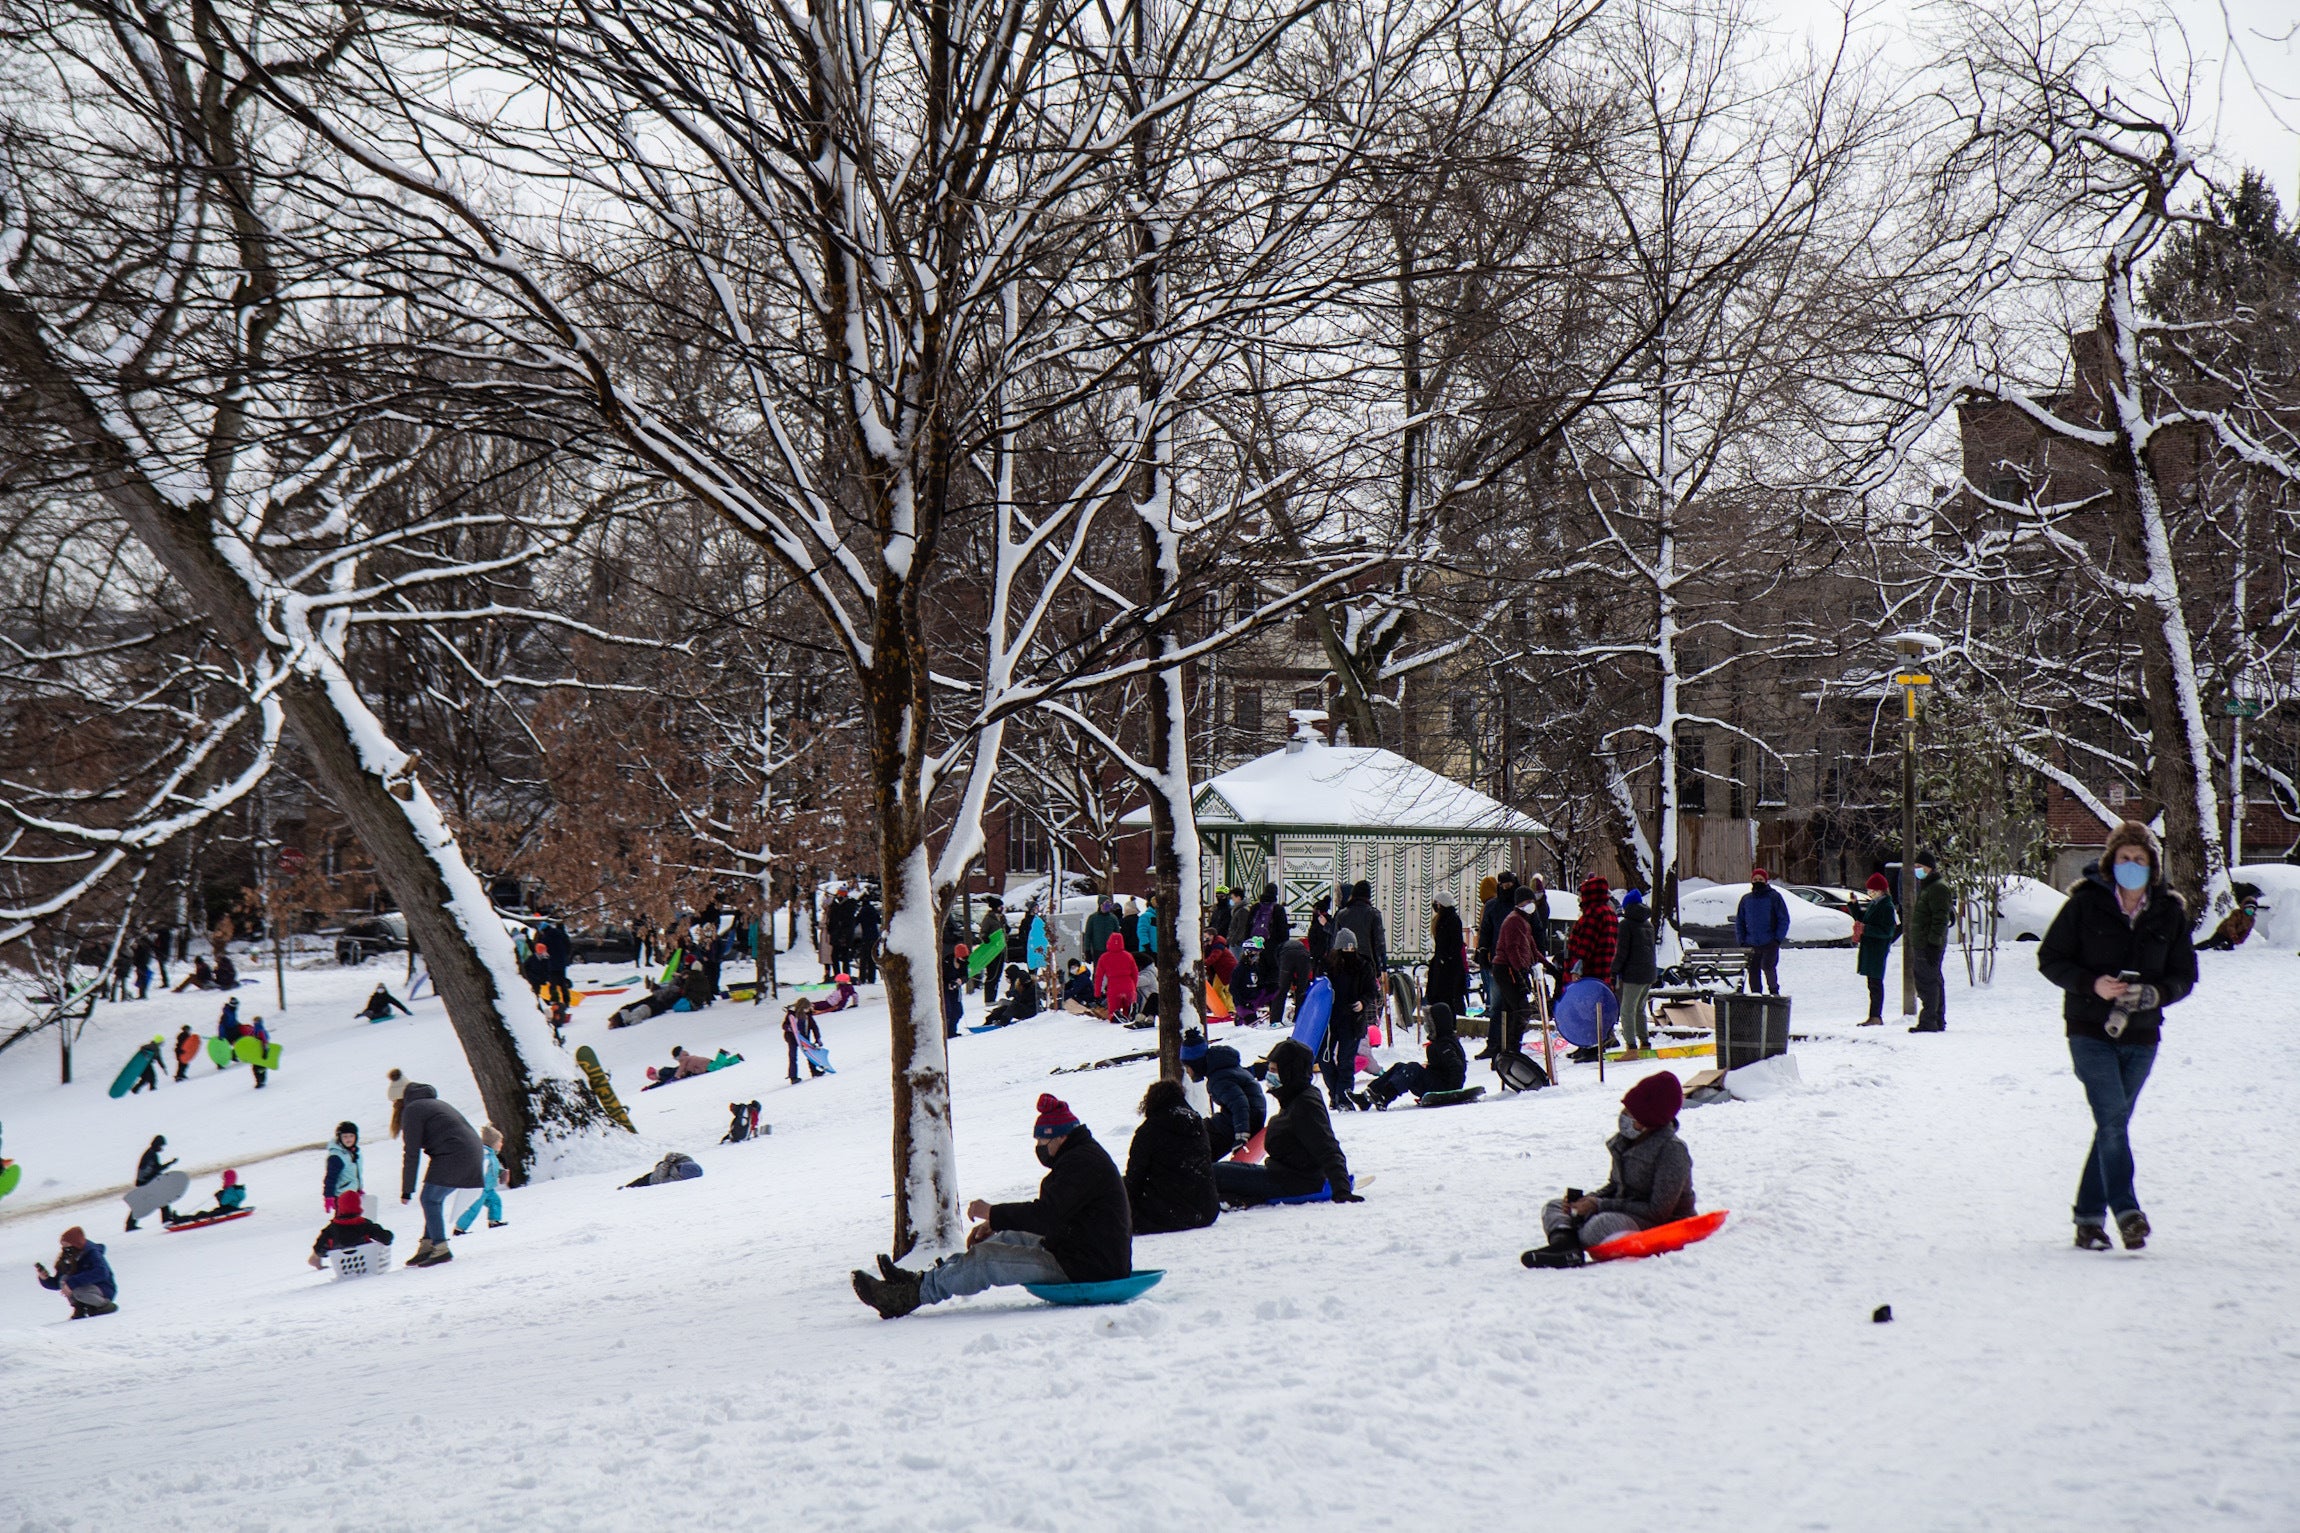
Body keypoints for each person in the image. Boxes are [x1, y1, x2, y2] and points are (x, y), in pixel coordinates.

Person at [2038, 821, 2197, 1252]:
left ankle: (2088, 1221)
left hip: (2142, 1035)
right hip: (2090, 1030)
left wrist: (2156, 993)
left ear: (2153, 866)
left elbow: (2185, 974)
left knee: (2113, 1125)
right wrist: (2092, 983)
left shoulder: (2169, 911)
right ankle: (2127, 1212)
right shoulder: (2084, 904)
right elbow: (2049, 959)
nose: (2131, 865)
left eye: (2140, 860)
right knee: (2111, 1119)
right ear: (2111, 862)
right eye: (2124, 858)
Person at [852, 1093, 1131, 1318]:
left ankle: (907, 1297)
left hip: (1087, 1265)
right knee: (1003, 1239)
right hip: (1079, 1250)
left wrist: (992, 1212)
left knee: (986, 1261)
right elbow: (1054, 1216)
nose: (1039, 1147)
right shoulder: (1080, 1157)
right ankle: (919, 1280)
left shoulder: (1082, 1163)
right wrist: (995, 1225)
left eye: (1042, 1140)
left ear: (1060, 1137)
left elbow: (1046, 1216)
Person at [1524, 1071, 1695, 1268]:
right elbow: (1615, 1185)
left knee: (1598, 1227)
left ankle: (1569, 1242)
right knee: (1553, 1207)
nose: (1624, 1117)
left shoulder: (1672, 1150)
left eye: (1631, 1114)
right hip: (1624, 1210)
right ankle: (1565, 1247)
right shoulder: (1626, 1142)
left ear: (1649, 1120)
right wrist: (1584, 1201)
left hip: (1659, 1222)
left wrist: (1598, 1205)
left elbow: (1658, 1211)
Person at [1212, 1040, 1359, 1207]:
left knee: (1216, 1173)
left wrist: (1342, 1190)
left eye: (1274, 1070)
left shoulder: (1305, 1104)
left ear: (1290, 1072)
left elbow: (1327, 1147)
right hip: (1282, 1175)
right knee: (1219, 1171)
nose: (1269, 1075)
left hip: (1295, 1182)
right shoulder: (1293, 1096)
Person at [396, 1078, 484, 1268]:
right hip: (472, 1151)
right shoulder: (436, 1104)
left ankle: (441, 1248)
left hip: (454, 1154)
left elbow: (411, 1152)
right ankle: (428, 1245)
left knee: (430, 1199)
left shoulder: (412, 1110)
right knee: (433, 1199)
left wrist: (406, 1190)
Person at [1123, 1079, 1219, 1234]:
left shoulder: (1148, 1131)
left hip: (1168, 1214)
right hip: (1207, 1211)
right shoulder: (1197, 1124)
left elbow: (1135, 1177)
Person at [1363, 1001, 1469, 1108]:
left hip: (1443, 1087)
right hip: (1436, 1081)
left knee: (1412, 1069)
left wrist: (1453, 1092)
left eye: (1430, 1023)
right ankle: (1366, 1097)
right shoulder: (1440, 1041)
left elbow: (1457, 1067)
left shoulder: (1446, 1044)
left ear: (1438, 1023)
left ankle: (1386, 1096)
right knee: (1399, 1066)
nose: (1427, 1026)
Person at [1320, 928, 1381, 1107]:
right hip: (1329, 1021)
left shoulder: (1363, 965)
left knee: (1346, 1061)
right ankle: (1335, 1095)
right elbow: (1319, 988)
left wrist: (1363, 1002)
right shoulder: (1327, 965)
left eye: (1351, 949)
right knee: (1324, 1059)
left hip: (1353, 1020)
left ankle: (1344, 1098)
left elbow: (1371, 990)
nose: (1349, 953)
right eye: (1345, 949)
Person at [1182, 1033, 1266, 1159]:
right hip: (1248, 1118)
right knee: (1202, 1128)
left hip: (1243, 1123)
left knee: (1196, 1139)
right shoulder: (1224, 1068)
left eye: (1187, 1067)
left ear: (1196, 1064)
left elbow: (1239, 1104)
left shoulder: (1218, 1079)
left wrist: (1242, 1136)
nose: (1187, 1072)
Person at [1487, 894, 1540, 1062]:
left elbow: (1531, 949)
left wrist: (1550, 967)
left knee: (1511, 1011)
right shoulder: (1514, 921)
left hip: (1513, 969)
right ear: (1519, 903)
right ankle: (1511, 1049)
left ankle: (1505, 1050)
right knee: (1521, 1009)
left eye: (1532, 901)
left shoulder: (1524, 921)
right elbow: (1512, 949)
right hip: (1507, 969)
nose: (1531, 905)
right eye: (1527, 901)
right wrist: (1520, 972)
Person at [1907, 850, 1952, 1031]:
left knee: (1927, 982)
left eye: (1920, 867)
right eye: (1915, 867)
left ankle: (1929, 1020)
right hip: (1925, 942)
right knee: (1933, 980)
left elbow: (1939, 919)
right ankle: (1937, 1019)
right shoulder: (1929, 887)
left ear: (1930, 868)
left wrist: (1933, 943)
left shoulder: (1937, 888)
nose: (1917, 870)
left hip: (1927, 944)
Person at [1732, 869, 1792, 996]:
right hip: (1751, 942)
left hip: (1769, 941)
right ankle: (1756, 996)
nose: (1757, 882)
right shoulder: (1746, 899)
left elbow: (1783, 919)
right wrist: (1742, 940)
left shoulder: (1774, 897)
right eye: (1755, 880)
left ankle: (1774, 993)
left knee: (1768, 967)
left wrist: (1777, 939)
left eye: (1760, 880)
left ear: (1766, 881)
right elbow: (1740, 921)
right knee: (1753, 971)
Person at [35, 1227, 117, 1317]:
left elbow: (101, 1272)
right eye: (63, 1246)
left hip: (103, 1288)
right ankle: (80, 1308)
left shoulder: (92, 1253)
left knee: (77, 1291)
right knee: (64, 1280)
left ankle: (104, 1306)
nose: (65, 1249)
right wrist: (45, 1279)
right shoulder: (68, 1257)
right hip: (83, 1288)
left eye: (67, 1246)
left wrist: (72, 1283)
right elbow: (59, 1282)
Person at [1853, 872, 1899, 1026]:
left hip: (1877, 949)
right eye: (1869, 890)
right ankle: (1874, 1015)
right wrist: (1853, 905)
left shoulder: (1886, 906)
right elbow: (1862, 918)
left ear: (1881, 891)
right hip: (1871, 948)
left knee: (1875, 983)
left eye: (1873, 890)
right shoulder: (1875, 904)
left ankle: (1876, 1016)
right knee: (1872, 982)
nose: (1870, 893)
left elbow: (1887, 931)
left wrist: (1866, 929)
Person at [308, 1190, 396, 1269]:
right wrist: (388, 1237)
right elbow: (385, 1238)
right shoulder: (364, 1224)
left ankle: (315, 1259)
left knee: (326, 1241)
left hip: (342, 1267)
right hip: (367, 1263)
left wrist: (318, 1255)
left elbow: (319, 1247)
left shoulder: (331, 1228)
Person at [1615, 891, 1657, 1052]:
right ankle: (1644, 1042)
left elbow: (1622, 951)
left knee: (1627, 1010)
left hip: (1633, 973)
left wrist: (1614, 970)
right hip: (1649, 972)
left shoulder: (1625, 925)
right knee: (1640, 1009)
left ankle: (1631, 1045)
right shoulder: (1648, 924)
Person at [453, 1126, 508, 1234]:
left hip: (489, 1189)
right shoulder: (485, 1155)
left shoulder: (492, 1155)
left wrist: (501, 1172)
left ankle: (494, 1221)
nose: (501, 1145)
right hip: (480, 1189)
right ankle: (459, 1228)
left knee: (495, 1202)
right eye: (499, 1142)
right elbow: (481, 1168)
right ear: (493, 1143)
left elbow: (492, 1169)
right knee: (474, 1209)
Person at [1425, 892, 1468, 1023]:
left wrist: (1445, 958)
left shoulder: (1452, 920)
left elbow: (1455, 944)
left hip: (1449, 967)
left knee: (1448, 996)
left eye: (1437, 903)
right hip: (1442, 964)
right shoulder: (1442, 919)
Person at [1335, 879, 1387, 972]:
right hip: (1367, 965)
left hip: (1344, 965)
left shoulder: (1341, 914)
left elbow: (1335, 941)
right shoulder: (1373, 914)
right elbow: (1379, 945)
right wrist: (1381, 969)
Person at [127, 1135, 177, 1231]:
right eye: (161, 1146)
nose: (161, 1148)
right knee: (156, 1201)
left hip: (146, 1183)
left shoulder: (150, 1153)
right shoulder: (151, 1155)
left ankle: (130, 1224)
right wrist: (170, 1164)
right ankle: (166, 1219)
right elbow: (154, 1170)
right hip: (146, 1183)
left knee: (157, 1200)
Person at [1093, 932, 1139, 1021]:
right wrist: (1134, 986)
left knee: (1112, 1011)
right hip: (1128, 984)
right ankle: (1130, 1013)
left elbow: (1099, 977)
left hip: (1114, 986)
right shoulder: (1128, 956)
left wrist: (1097, 994)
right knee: (1128, 1006)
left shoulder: (1104, 957)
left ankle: (1115, 1015)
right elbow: (1135, 973)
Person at [176, 1169, 248, 1224]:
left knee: (202, 1215)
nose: (223, 1181)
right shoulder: (232, 1190)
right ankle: (179, 1219)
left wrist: (220, 1195)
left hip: (229, 1210)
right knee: (201, 1214)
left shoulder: (232, 1190)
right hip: (224, 1209)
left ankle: (179, 1220)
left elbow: (224, 1202)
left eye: (224, 1179)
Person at [323, 1122, 364, 1212]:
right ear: (340, 1138)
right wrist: (328, 1196)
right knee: (344, 1221)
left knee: (355, 1220)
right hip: (341, 1196)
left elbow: (355, 1174)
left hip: (353, 1194)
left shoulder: (354, 1152)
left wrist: (358, 1188)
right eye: (345, 1136)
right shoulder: (336, 1156)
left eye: (351, 1136)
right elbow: (330, 1178)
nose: (348, 1139)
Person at [783, 998, 826, 1082]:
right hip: (792, 1037)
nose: (807, 1009)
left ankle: (814, 1071)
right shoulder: (791, 1014)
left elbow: (814, 1027)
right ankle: (793, 1077)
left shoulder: (808, 1015)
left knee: (810, 1053)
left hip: (804, 1036)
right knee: (793, 1056)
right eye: (806, 1008)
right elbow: (784, 1025)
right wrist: (789, 1028)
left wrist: (818, 1038)